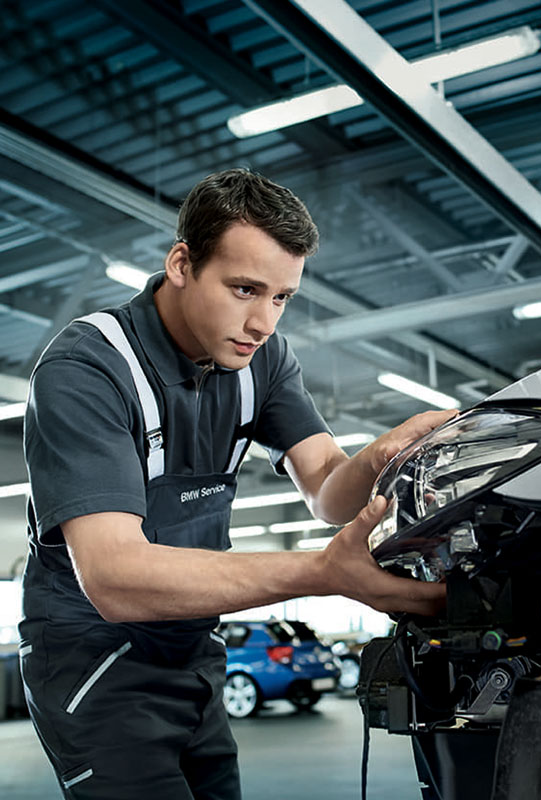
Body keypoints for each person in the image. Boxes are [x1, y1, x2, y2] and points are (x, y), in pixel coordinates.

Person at [19, 168, 452, 800]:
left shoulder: (263, 361)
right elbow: (114, 577)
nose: (264, 321)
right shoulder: (87, 368)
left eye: (282, 297)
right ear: (181, 264)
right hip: (95, 662)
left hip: (194, 646)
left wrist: (383, 454)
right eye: (245, 288)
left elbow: (329, 489)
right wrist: (323, 574)